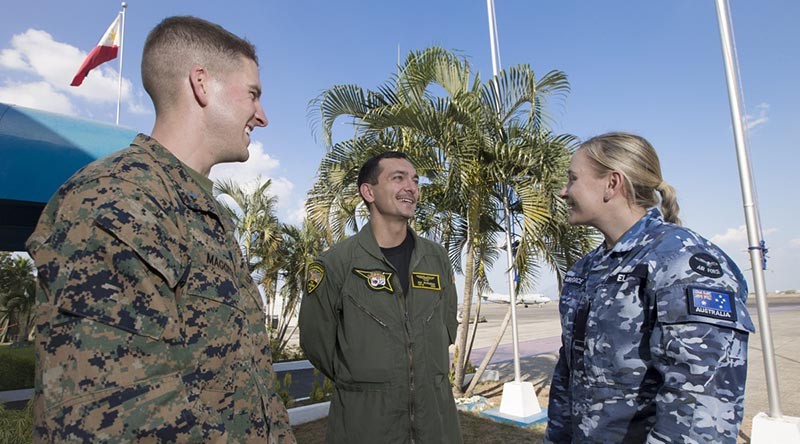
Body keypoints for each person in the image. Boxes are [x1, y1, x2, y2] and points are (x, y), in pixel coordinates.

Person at [27, 16, 295, 442]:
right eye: (253, 95)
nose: (261, 116)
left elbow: (252, 383)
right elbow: (117, 415)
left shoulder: (206, 213)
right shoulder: (117, 199)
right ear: (201, 84)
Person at [544, 132, 755, 443]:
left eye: (573, 178)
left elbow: (700, 407)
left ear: (611, 184)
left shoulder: (682, 263)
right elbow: (568, 377)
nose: (564, 191)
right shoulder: (584, 271)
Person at [299, 151, 462, 444]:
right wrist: (366, 381)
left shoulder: (437, 259)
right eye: (398, 178)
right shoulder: (335, 264)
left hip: (436, 426)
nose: (411, 187)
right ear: (368, 191)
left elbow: (446, 328)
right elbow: (317, 344)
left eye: (414, 180)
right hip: (365, 427)